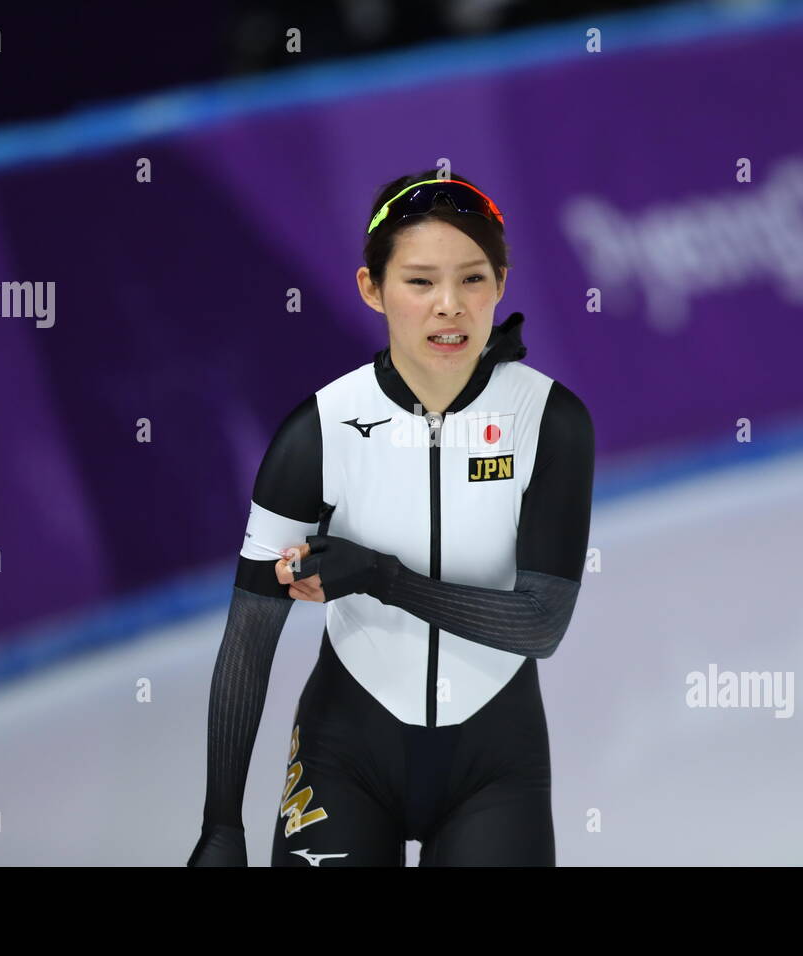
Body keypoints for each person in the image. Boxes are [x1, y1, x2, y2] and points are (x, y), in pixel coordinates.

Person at [187, 172, 594, 866]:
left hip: (493, 766)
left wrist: (378, 575)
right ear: (371, 289)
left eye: (472, 280)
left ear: (501, 284)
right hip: (344, 757)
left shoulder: (549, 421)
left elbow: (539, 624)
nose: (449, 307)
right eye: (419, 282)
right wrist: (222, 825)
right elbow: (250, 638)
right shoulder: (320, 432)